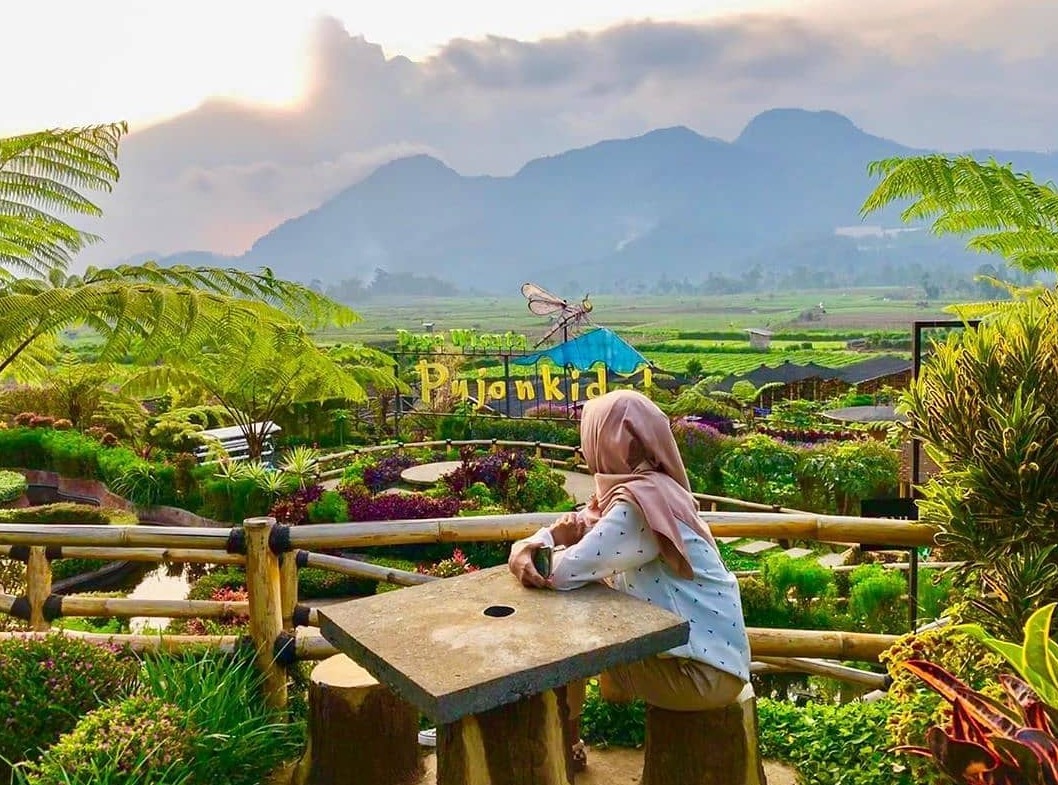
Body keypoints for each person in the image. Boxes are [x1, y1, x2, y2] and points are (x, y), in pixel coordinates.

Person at [507, 389, 751, 770]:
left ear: (607, 442)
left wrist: (538, 543)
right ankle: (573, 734)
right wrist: (544, 539)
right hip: (713, 663)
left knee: (569, 646)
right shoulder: (654, 490)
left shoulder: (637, 507)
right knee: (588, 625)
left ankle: (564, 746)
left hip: (700, 676)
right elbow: (583, 528)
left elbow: (558, 572)